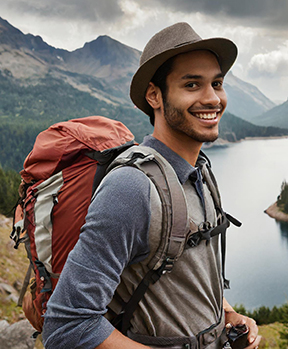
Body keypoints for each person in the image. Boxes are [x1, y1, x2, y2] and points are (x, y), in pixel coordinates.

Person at [42, 22, 261, 349]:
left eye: (217, 83)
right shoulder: (132, 187)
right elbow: (66, 326)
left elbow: (183, 275)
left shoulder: (200, 172)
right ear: (154, 95)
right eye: (192, 84)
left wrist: (228, 314)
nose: (212, 98)